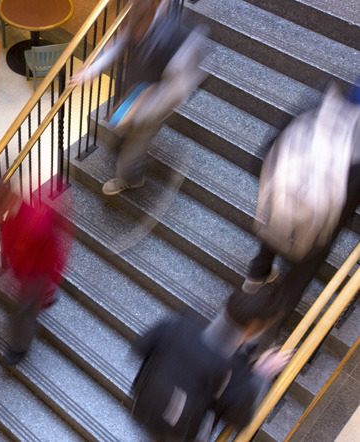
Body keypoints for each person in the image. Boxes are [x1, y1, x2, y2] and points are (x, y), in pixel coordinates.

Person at [242, 81, 360, 337]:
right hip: (320, 225)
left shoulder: (315, 111)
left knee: (272, 233)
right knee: (300, 274)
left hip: (282, 201)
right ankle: (267, 324)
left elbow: (271, 147)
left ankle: (256, 276)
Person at [69, 0, 206, 195]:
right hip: (132, 92)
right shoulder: (138, 16)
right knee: (120, 135)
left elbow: (176, 91)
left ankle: (130, 179)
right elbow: (122, 41)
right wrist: (93, 70)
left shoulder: (176, 36)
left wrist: (137, 112)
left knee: (133, 150)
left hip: (152, 108)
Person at [131, 287, 292, 441]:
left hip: (143, 406)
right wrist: (261, 374)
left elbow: (140, 347)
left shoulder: (181, 324)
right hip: (181, 432)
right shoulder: (232, 370)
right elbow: (239, 418)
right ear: (252, 328)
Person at [0, 183, 70, 365]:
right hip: (26, 271)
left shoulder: (36, 222)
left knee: (24, 311)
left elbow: (53, 253)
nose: (1, 213)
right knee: (30, 302)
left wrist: (52, 276)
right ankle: (49, 292)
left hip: (36, 274)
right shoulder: (13, 216)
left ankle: (19, 347)